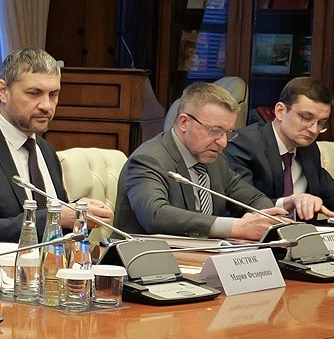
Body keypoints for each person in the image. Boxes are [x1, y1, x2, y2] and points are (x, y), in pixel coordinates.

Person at [0, 47, 113, 241]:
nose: (46, 105)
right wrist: (57, 216)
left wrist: (79, 213)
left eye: (53, 94)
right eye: (34, 93)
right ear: (3, 91)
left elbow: (55, 230)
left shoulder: (45, 150)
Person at [114, 81, 292, 239]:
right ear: (184, 122)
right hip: (147, 259)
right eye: (215, 131)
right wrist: (235, 227)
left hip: (201, 256)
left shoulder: (215, 160)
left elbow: (254, 198)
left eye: (228, 133)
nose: (223, 142)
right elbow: (155, 215)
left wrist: (265, 218)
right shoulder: (148, 159)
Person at [224, 76, 334, 220]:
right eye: (306, 118)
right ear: (280, 111)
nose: (314, 130)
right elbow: (244, 204)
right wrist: (290, 202)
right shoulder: (244, 145)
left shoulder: (307, 148)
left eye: (321, 123)